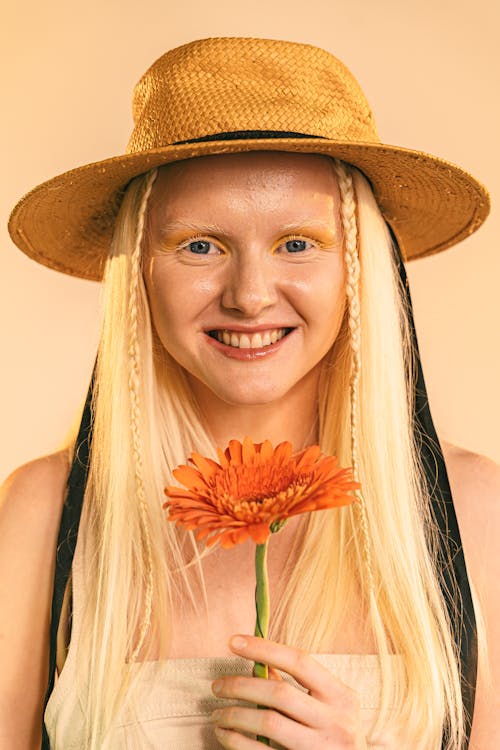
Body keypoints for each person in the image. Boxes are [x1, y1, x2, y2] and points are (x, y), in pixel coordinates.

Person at [1, 36, 498, 750]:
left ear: (358, 268)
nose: (251, 296)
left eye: (298, 243)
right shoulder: (44, 512)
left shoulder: (476, 511)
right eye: (201, 245)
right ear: (138, 268)